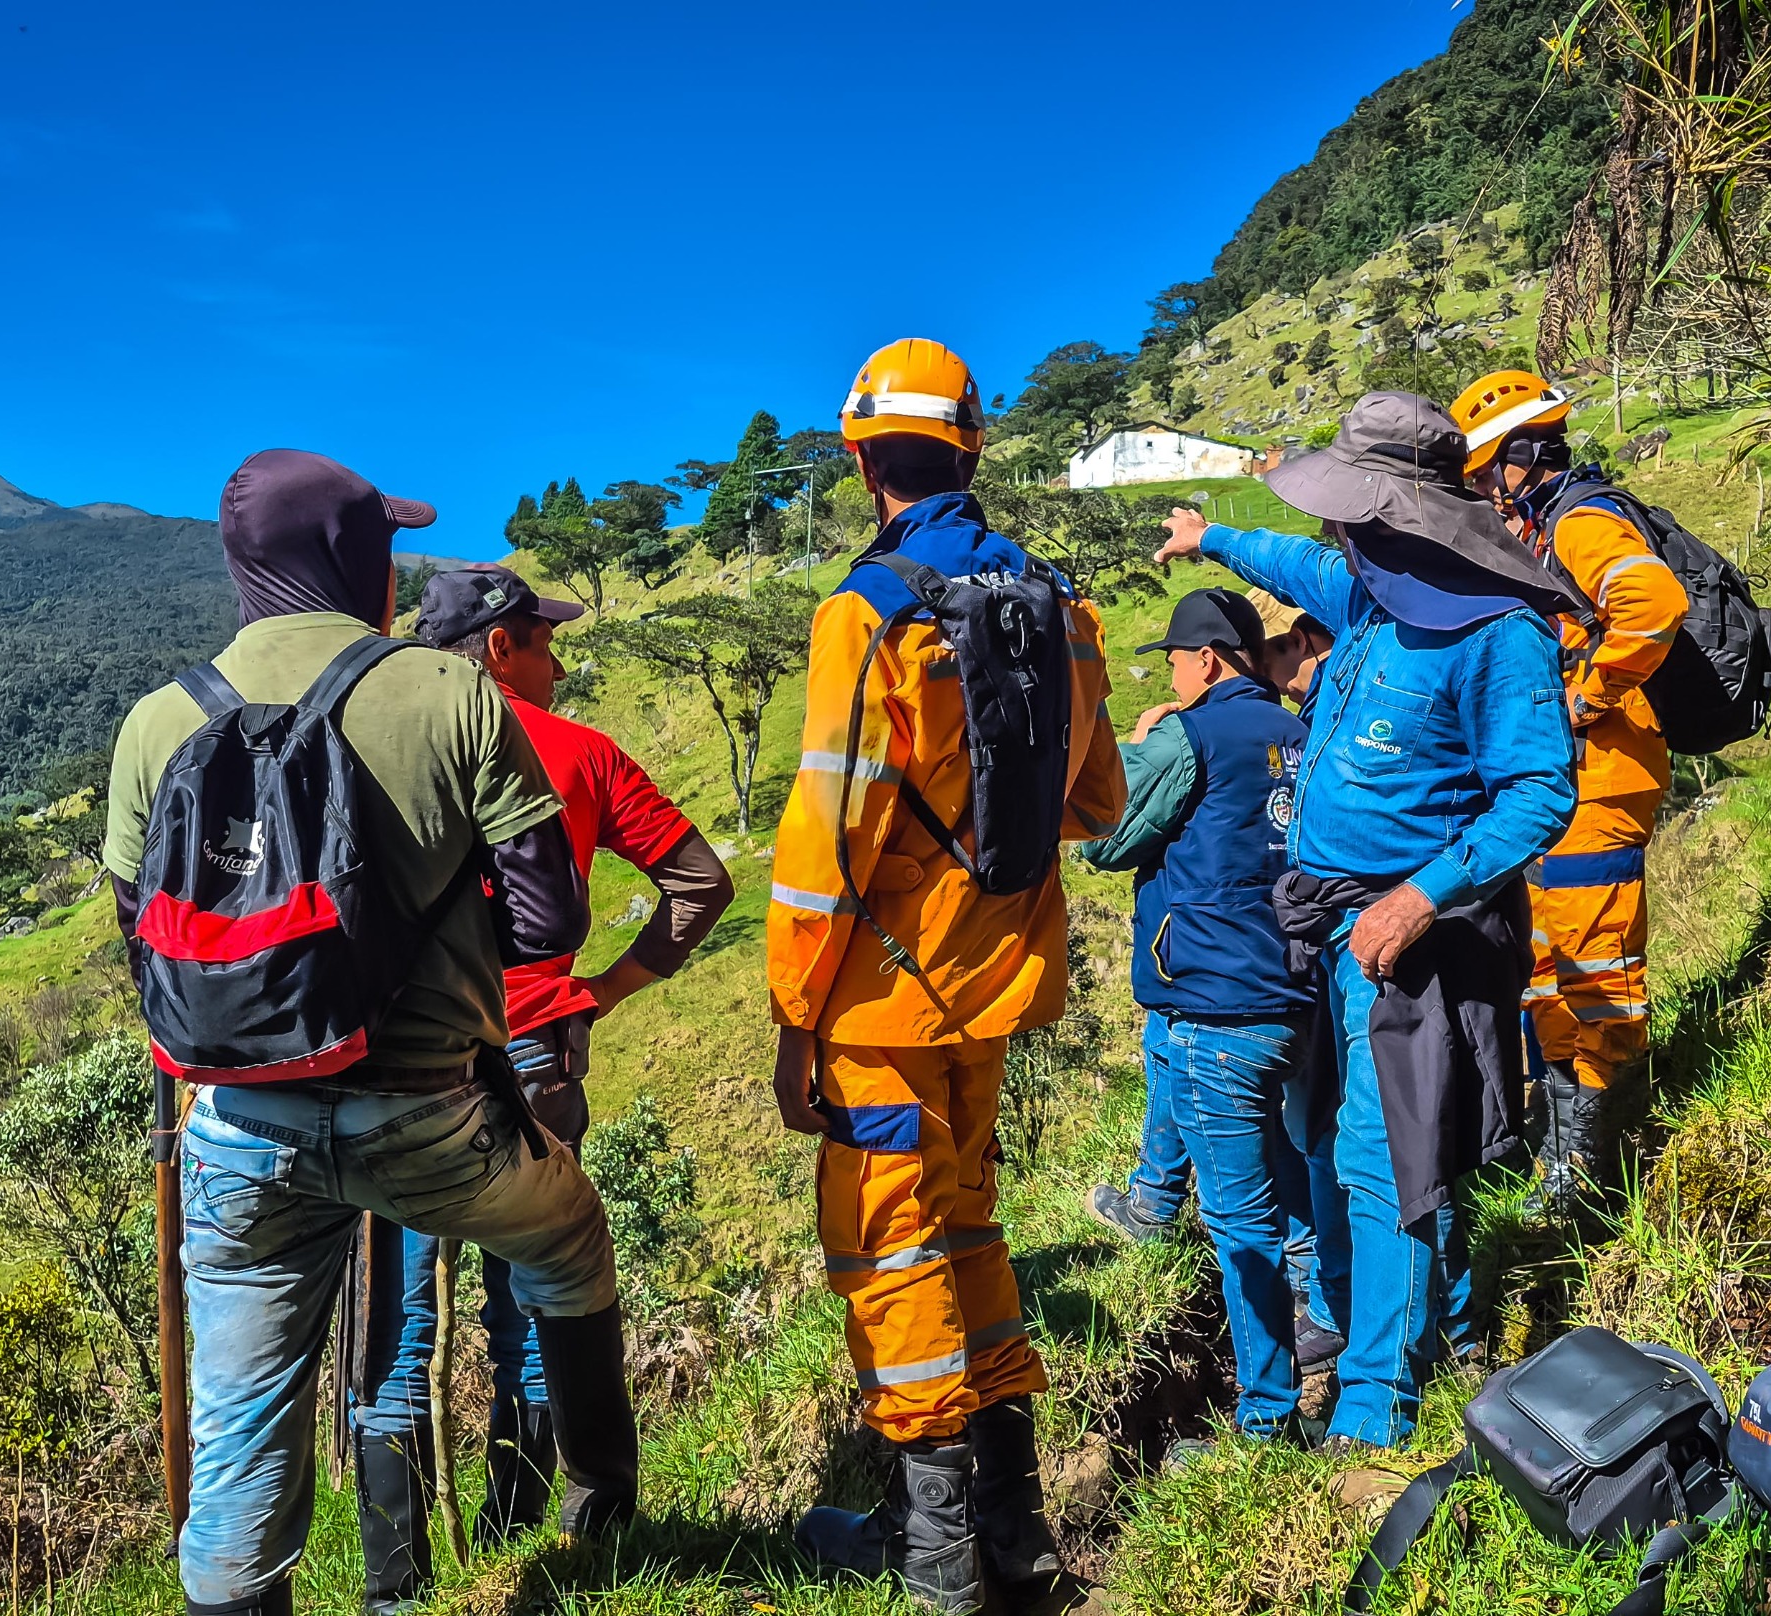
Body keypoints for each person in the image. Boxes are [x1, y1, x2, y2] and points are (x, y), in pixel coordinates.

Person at [100, 450, 638, 1616]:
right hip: (430, 1110)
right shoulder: (449, 693)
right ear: (359, 562)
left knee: (241, 1435)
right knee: (567, 1237)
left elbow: (140, 938)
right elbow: (551, 921)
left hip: (238, 1127)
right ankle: (602, 1513)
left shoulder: (157, 720)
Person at [768, 338, 1124, 1611]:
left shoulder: (866, 612)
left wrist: (794, 1015)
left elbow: (828, 843)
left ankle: (934, 1559)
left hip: (878, 1004)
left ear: (862, 457)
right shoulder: (1063, 608)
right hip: (997, 985)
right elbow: (1095, 802)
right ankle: (1015, 1530)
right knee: (969, 1225)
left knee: (890, 1247)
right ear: (971, 448)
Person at [1154, 393, 1579, 1450]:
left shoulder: (1494, 632)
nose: (1333, 530)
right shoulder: (1370, 594)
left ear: (1400, 516)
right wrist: (1212, 538)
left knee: (1380, 1155)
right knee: (1341, 1140)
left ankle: (1375, 1407)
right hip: (1325, 930)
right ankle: (1450, 1329)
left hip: (1410, 940)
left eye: (1348, 511)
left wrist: (1420, 894)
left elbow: (1539, 791)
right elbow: (1292, 565)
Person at [348, 564, 735, 1593]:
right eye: (544, 642)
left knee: (400, 1324)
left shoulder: (376, 751)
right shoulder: (579, 751)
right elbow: (701, 884)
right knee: (535, 1294)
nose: (557, 666)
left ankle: (397, 1586)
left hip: (402, 1063)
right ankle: (550, 1530)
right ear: (498, 648)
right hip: (537, 1057)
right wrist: (600, 990)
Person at [1078, 587, 1341, 1448]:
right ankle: (1316, 1312)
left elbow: (1104, 837)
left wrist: (1146, 743)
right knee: (1291, 1167)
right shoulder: (1301, 732)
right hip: (1298, 993)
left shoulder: (1190, 737)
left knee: (1240, 1226)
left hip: (1219, 1000)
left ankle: (1267, 1424)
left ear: (1207, 660)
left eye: (1176, 662)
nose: (1173, 677)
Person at [1450, 372, 1688, 1213]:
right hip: (1567, 784)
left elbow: (1653, 601)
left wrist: (1585, 698)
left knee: (1595, 961)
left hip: (1603, 776)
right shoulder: (1543, 531)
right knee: (1550, 965)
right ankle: (1564, 1149)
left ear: (1523, 455)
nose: (1484, 489)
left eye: (1487, 471)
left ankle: (1599, 1161)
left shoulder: (1582, 521)